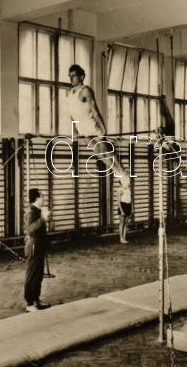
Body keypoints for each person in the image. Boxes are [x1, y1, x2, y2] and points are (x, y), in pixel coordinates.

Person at [66, 64, 132, 205]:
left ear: (82, 76)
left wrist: (103, 129)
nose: (71, 79)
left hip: (91, 125)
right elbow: (72, 115)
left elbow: (95, 111)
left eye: (74, 76)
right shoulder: (68, 93)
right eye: (70, 76)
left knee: (105, 151)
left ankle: (123, 173)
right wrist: (74, 131)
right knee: (100, 155)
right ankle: (120, 174)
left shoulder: (86, 91)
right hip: (81, 128)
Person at [24, 188, 50, 312]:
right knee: (32, 274)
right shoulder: (31, 212)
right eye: (42, 196)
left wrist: (46, 218)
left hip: (39, 245)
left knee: (39, 274)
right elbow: (30, 229)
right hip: (34, 246)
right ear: (37, 198)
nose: (44, 198)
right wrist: (43, 219)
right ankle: (29, 303)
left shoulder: (37, 211)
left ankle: (36, 299)